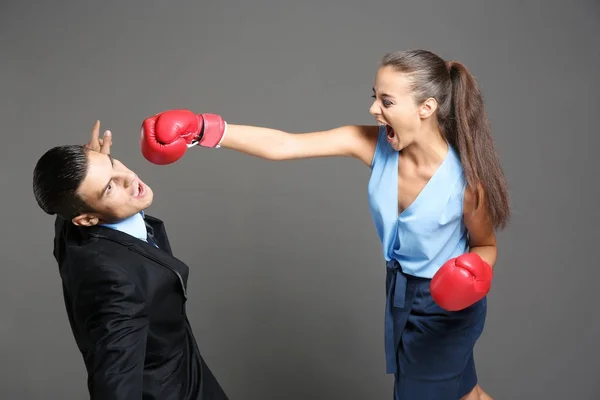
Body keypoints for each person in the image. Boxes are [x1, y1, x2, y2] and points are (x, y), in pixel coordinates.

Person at [139, 49, 510, 400]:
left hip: (449, 306)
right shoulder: (370, 143)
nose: (374, 109)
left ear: (426, 108)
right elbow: (284, 145)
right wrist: (203, 128)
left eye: (387, 101)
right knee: (466, 394)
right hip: (402, 293)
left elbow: (485, 245)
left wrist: (471, 273)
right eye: (375, 96)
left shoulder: (466, 184)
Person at [32, 121, 229, 400]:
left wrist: (96, 168)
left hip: (188, 372)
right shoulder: (114, 287)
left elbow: (68, 205)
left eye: (114, 163)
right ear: (87, 219)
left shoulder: (72, 228)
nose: (128, 177)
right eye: (109, 188)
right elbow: (115, 382)